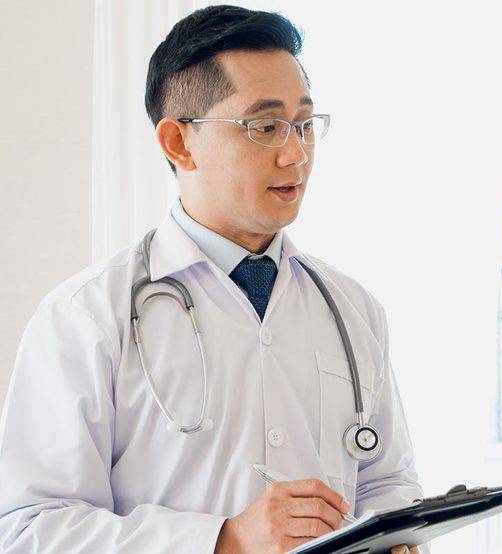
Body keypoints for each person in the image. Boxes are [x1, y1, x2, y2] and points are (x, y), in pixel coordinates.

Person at [0, 6, 423, 553]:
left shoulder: (353, 309)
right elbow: (29, 527)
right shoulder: (88, 315)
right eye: (265, 127)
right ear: (179, 143)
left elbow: (387, 482)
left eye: (304, 124)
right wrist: (223, 541)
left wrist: (402, 535)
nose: (296, 153)